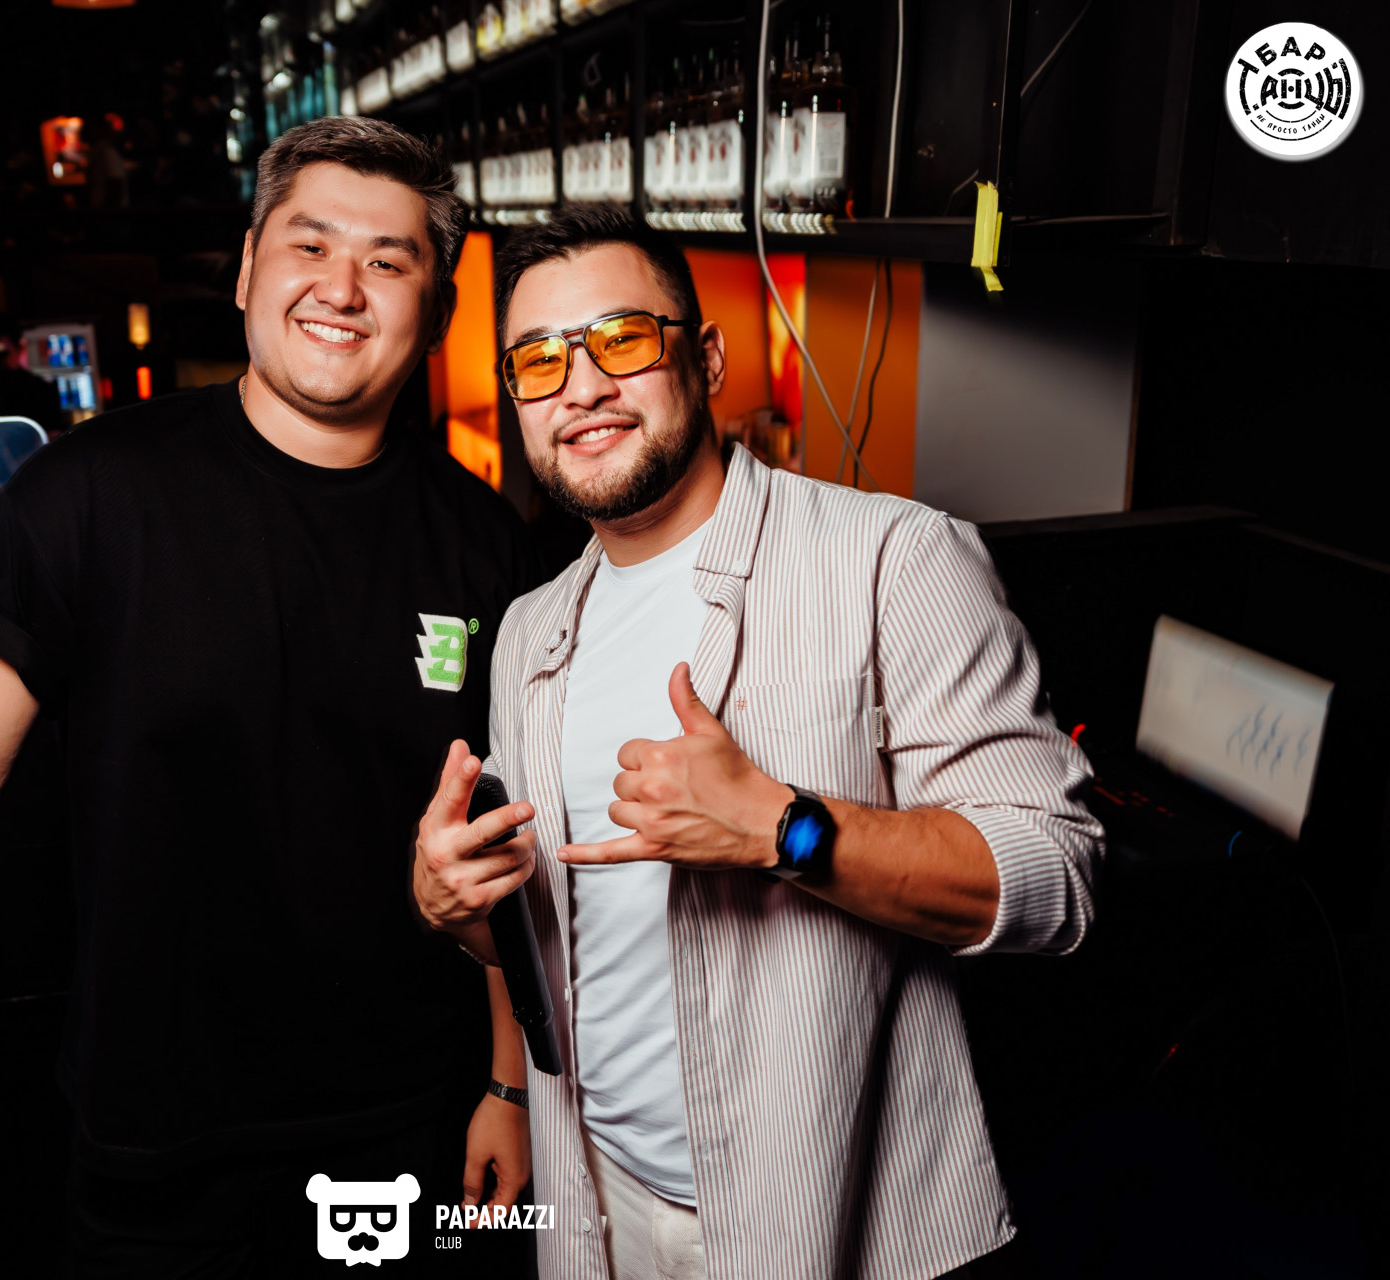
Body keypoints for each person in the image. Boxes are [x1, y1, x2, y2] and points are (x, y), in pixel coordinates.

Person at [0, 117, 545, 1277]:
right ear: (247, 270)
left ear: (433, 307)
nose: (342, 287)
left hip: (412, 1120)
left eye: (388, 261)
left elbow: (505, 848)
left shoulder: (488, 544)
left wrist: (508, 1085)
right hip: (159, 1129)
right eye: (309, 245)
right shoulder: (86, 494)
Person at [412, 205, 1102, 1279]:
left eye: (622, 340)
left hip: (831, 1211)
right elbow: (551, 933)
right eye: (539, 360)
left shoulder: (893, 558)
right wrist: (464, 910)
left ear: (708, 358)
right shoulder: (530, 631)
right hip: (596, 1197)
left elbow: (1059, 880)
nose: (580, 386)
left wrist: (787, 830)